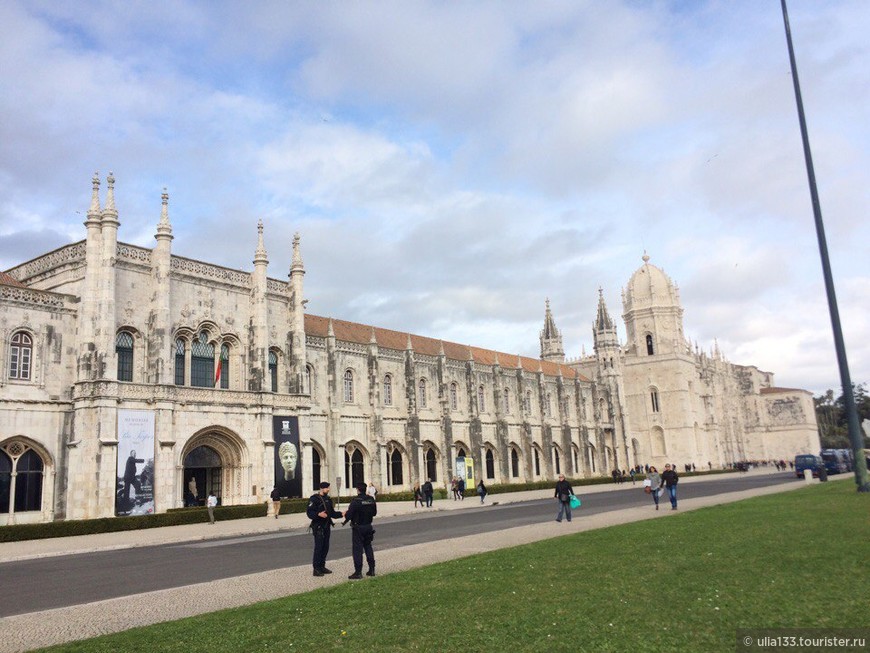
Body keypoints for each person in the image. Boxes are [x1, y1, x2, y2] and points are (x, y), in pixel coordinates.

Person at [306, 481, 343, 576]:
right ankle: (316, 568)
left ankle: (322, 566)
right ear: (322, 488)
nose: (328, 489)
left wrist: (342, 514)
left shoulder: (328, 499)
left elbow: (332, 513)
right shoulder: (314, 499)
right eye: (327, 488)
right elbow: (309, 513)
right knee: (319, 547)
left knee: (325, 547)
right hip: (318, 526)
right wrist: (318, 514)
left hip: (326, 526)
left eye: (328, 488)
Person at [343, 482, 377, 579]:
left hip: (358, 528)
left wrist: (346, 514)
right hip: (368, 526)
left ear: (357, 489)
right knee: (368, 547)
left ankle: (358, 572)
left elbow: (349, 516)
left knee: (357, 550)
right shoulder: (371, 500)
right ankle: (372, 569)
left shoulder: (356, 501)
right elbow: (374, 513)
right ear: (365, 489)